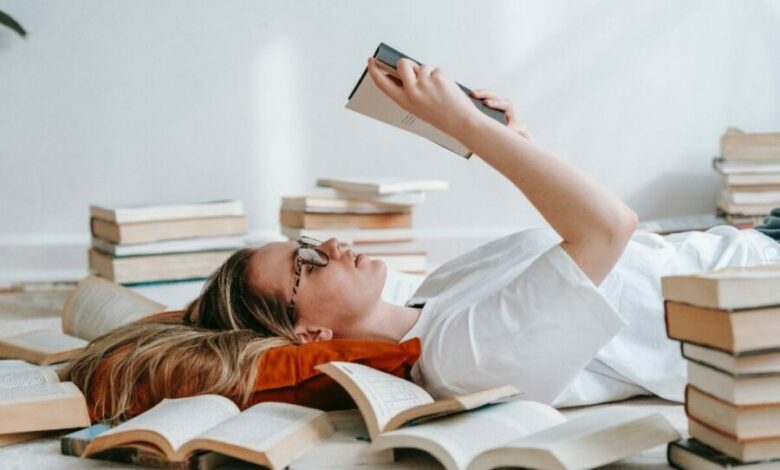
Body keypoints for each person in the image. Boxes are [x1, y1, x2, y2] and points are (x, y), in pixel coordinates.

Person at [71, 58, 780, 421]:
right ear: (310, 330)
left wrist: (512, 140)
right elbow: (606, 229)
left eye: (309, 239)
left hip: (742, 241)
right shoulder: (463, 358)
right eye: (307, 263)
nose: (330, 244)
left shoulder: (430, 298)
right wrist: (468, 129)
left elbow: (598, 247)